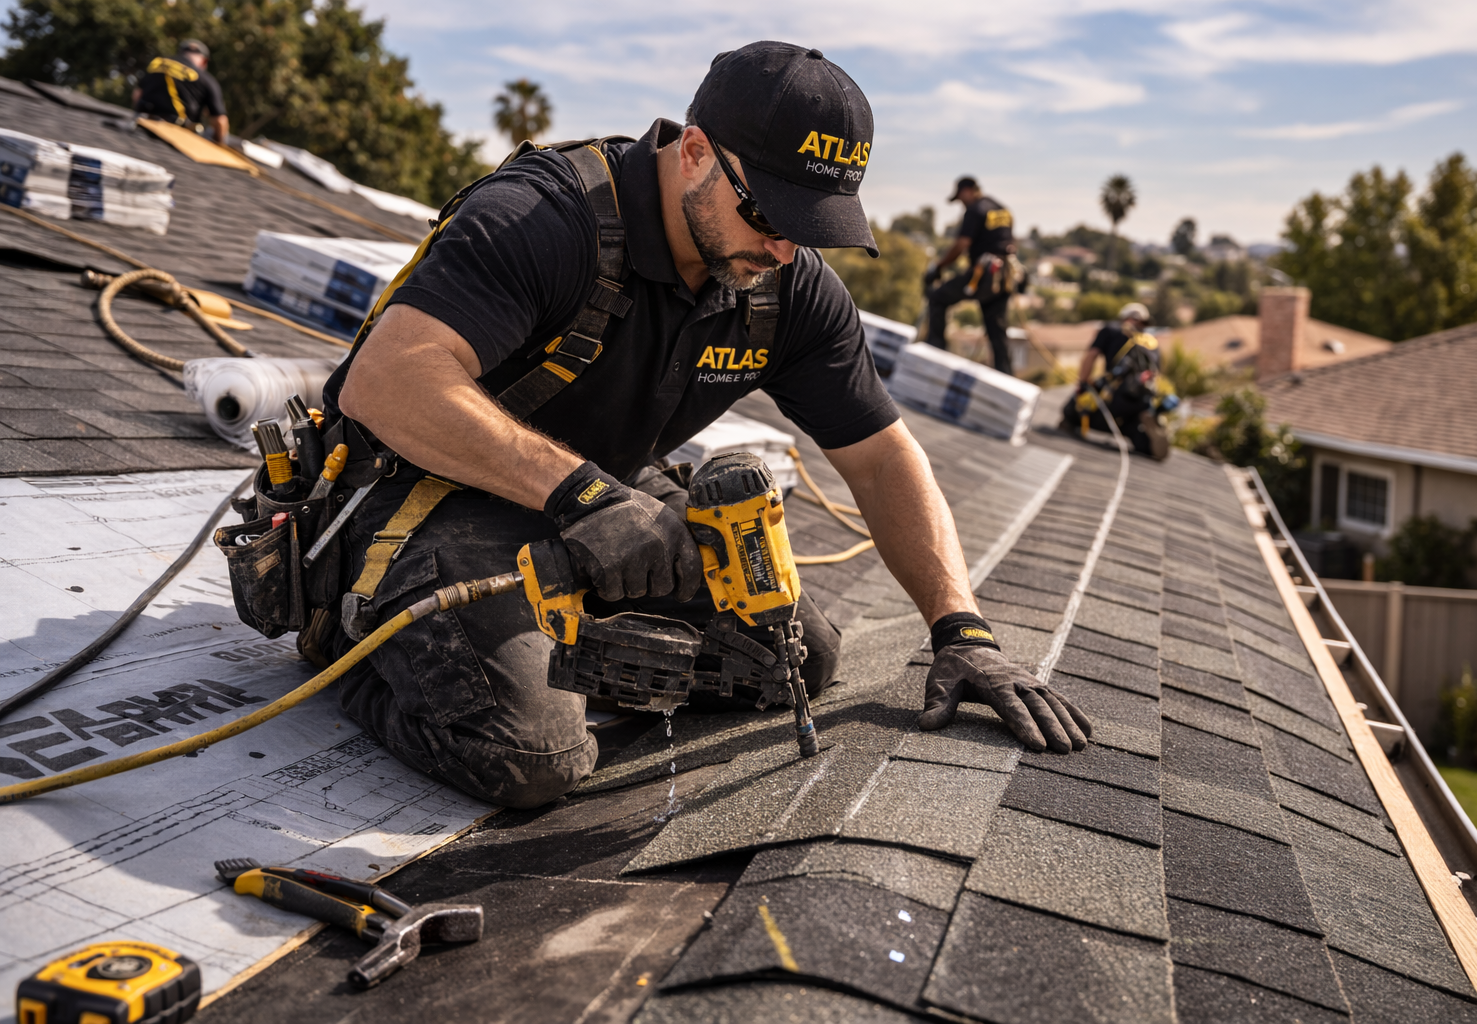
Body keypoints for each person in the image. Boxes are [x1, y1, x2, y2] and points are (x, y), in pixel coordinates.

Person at [319, 42, 1091, 810]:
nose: (784, 249)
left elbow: (884, 458)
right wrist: (584, 498)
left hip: (596, 497)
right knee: (531, 758)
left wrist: (961, 630)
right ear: (693, 154)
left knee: (794, 662)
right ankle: (351, 638)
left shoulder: (782, 286)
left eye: (809, 226)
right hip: (425, 489)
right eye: (768, 214)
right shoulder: (546, 219)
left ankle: (552, 630)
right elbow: (388, 381)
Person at [923, 176, 1018, 374]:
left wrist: (939, 266)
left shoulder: (975, 210)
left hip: (984, 275)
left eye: (960, 198)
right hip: (1005, 276)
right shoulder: (1001, 209)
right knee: (997, 330)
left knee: (938, 298)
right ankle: (1007, 376)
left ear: (967, 191)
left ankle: (935, 357)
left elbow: (962, 244)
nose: (961, 203)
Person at [1061, 301, 1171, 459]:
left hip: (1116, 398)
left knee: (1072, 411)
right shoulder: (1152, 343)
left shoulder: (1111, 330)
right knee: (1134, 431)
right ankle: (1146, 442)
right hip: (1142, 402)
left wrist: (1083, 384)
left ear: (1124, 318)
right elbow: (1156, 375)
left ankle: (1074, 421)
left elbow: (1091, 356)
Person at [133, 40, 228, 144]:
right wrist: (219, 145)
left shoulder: (157, 63)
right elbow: (220, 121)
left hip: (143, 125)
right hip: (177, 135)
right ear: (204, 61)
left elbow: (137, 94)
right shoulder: (206, 79)